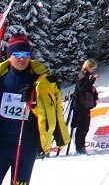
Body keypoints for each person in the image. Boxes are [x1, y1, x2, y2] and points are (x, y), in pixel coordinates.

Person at [0, 34, 70, 184]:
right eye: (17, 54)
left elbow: (54, 110)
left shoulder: (42, 80)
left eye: (26, 54)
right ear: (9, 56)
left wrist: (34, 102)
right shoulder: (1, 78)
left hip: (26, 144)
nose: (22, 59)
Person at [72, 58, 99, 154]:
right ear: (87, 67)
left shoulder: (85, 76)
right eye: (92, 68)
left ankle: (81, 146)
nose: (93, 70)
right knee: (82, 127)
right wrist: (93, 79)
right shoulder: (82, 76)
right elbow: (84, 87)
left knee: (84, 127)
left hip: (85, 106)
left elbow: (87, 88)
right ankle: (79, 148)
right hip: (81, 106)